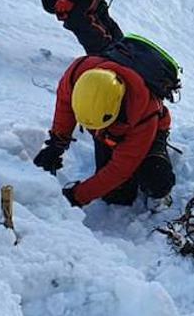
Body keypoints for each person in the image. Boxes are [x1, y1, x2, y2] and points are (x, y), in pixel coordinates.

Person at [33, 54, 174, 208]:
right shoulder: (77, 73)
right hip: (108, 131)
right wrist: (57, 143)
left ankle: (160, 190)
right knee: (114, 196)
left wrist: (76, 196)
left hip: (144, 131)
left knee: (154, 179)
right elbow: (65, 106)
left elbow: (119, 170)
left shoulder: (144, 114)